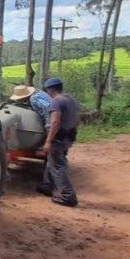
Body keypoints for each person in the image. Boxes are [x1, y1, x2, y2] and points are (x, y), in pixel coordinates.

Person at [38, 77, 80, 207]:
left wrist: (48, 141)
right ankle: (48, 186)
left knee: (57, 166)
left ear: (50, 90)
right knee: (52, 163)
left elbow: (55, 122)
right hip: (69, 137)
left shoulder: (56, 102)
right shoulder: (72, 100)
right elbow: (77, 120)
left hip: (58, 138)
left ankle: (68, 196)